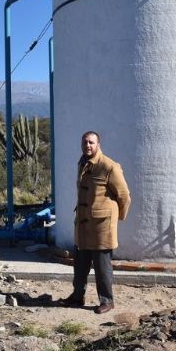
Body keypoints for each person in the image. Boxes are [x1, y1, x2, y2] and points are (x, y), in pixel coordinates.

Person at [60, 131, 131, 314]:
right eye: (85, 142)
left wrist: (116, 218)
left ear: (98, 144)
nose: (88, 146)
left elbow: (124, 196)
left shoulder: (109, 166)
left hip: (101, 226)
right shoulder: (82, 163)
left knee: (102, 267)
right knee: (80, 264)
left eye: (91, 142)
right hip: (83, 224)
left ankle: (107, 301)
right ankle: (77, 296)